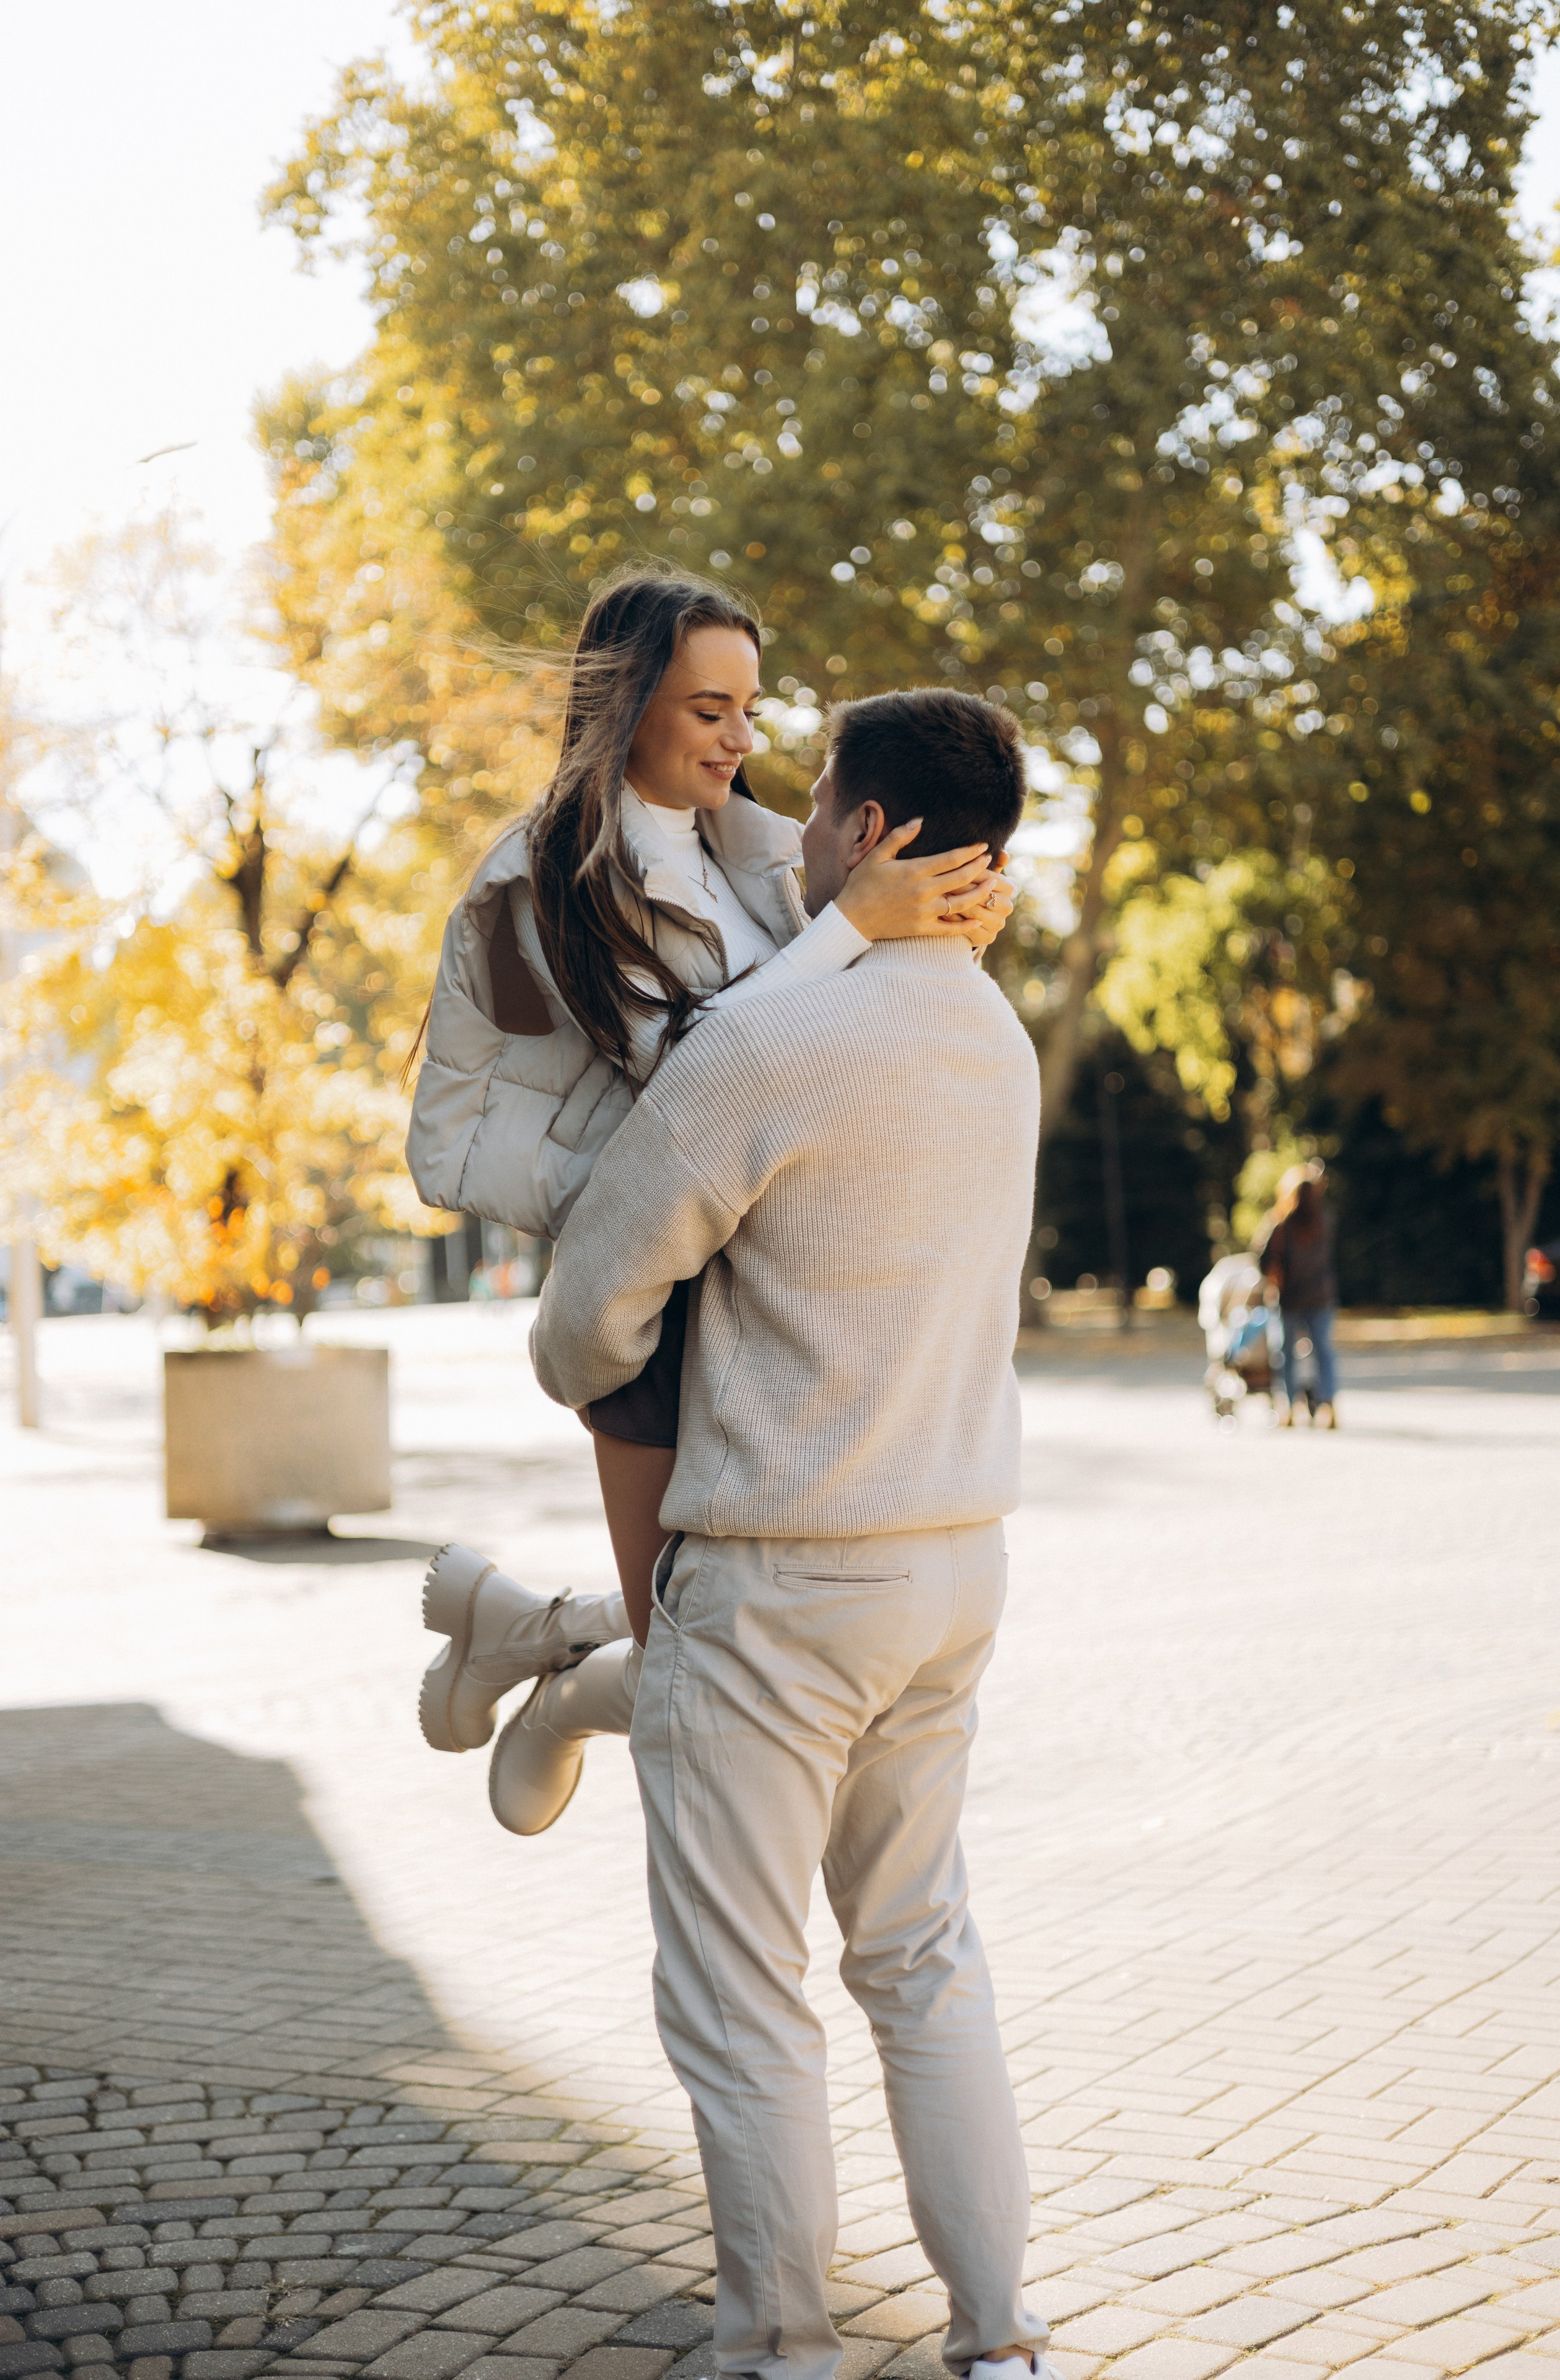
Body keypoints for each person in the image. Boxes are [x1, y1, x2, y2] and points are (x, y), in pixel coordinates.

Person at [531, 686, 1053, 2380]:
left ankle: (780, 2352)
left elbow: (584, 1316)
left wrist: (630, 1375)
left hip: (779, 1585)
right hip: (956, 1566)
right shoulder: (1000, 1039)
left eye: (817, 800)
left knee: (747, 2004)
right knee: (923, 1964)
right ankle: (1000, 2339)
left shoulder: (765, 1044)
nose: (795, 823)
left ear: (878, 831)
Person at [405, 571, 1011, 1829]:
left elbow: (828, 1041)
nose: (743, 741)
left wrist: (928, 940)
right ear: (627, 709)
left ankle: (531, 1646)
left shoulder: (750, 853)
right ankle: (549, 1670)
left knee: (705, 1635)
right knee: (696, 1652)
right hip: (648, 1306)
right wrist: (856, 928)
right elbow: (704, 1071)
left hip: (753, 1285)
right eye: (708, 711)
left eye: (749, 707)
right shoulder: (554, 877)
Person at [1259, 1165, 1339, 1427]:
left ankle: (1291, 1406)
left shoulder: (1280, 1224)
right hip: (1321, 1296)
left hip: (1289, 1299)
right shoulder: (1326, 1220)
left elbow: (1263, 1260)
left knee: (1285, 1355)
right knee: (1323, 1353)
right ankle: (1327, 1404)